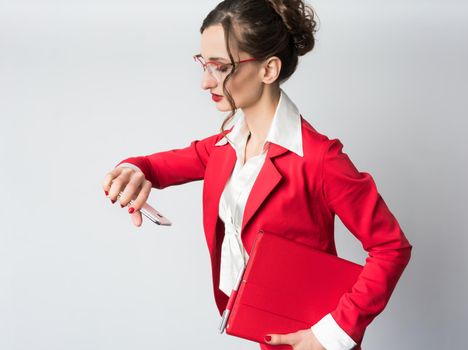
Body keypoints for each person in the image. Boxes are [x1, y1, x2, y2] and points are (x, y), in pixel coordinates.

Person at [101, 0, 412, 349]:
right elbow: (154, 166)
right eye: (204, 64)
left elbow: (390, 247)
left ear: (268, 69)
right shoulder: (225, 146)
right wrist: (131, 172)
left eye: (219, 67)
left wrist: (332, 334)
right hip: (260, 330)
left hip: (307, 339)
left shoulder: (319, 159)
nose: (205, 81)